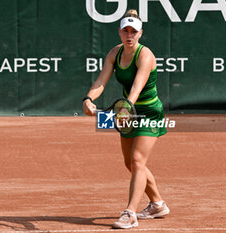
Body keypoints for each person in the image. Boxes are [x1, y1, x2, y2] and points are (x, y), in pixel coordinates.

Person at [82, 9, 170, 229]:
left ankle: (129, 213)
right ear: (119, 32)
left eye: (134, 31)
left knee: (138, 160)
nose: (129, 35)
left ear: (140, 33)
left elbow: (137, 87)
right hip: (128, 112)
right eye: (125, 31)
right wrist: (89, 99)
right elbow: (102, 80)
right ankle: (158, 204)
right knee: (130, 163)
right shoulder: (114, 53)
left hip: (148, 112)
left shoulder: (145, 55)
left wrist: (126, 107)